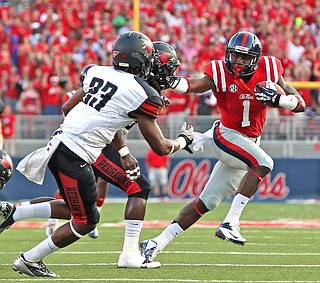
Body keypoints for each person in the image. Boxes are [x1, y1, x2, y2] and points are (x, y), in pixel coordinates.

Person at [0, 31, 194, 277]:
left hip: (63, 145)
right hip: (76, 153)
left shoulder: (97, 72)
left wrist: (96, 132)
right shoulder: (143, 93)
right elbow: (161, 148)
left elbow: (68, 107)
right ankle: (28, 259)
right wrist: (182, 140)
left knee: (78, 210)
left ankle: (14, 213)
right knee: (86, 220)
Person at [140, 31, 306, 264]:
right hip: (227, 136)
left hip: (247, 143)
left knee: (205, 202)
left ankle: (156, 243)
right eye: (234, 56)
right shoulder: (219, 71)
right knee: (264, 163)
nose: (237, 62)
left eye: (243, 58)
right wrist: (173, 83)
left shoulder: (269, 68)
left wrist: (282, 101)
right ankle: (230, 222)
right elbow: (197, 84)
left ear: (256, 59)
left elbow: (300, 103)